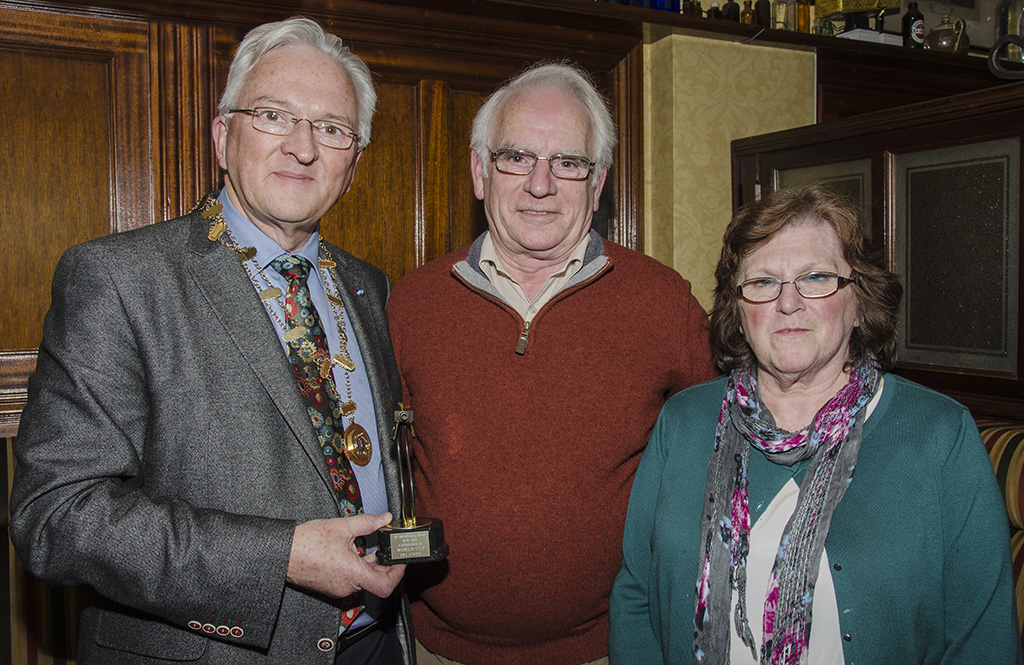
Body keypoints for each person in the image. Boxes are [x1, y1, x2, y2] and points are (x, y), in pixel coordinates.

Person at [9, 17, 415, 665]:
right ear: (224, 137)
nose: (303, 147)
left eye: (332, 128)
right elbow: (56, 516)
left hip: (378, 641)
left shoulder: (370, 285)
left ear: (354, 163)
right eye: (274, 116)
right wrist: (280, 556)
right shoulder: (119, 278)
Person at [386, 62, 717, 665]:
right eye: (516, 157)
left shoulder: (662, 302)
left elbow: (736, 435)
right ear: (480, 172)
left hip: (607, 650)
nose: (540, 185)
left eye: (568, 162)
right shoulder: (412, 303)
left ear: (598, 183)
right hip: (435, 648)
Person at [609, 184, 1021, 664]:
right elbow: (637, 594)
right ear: (738, 312)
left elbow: (983, 637)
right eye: (763, 282)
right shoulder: (684, 422)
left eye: (817, 277)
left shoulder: (939, 436)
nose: (789, 303)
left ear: (859, 303)